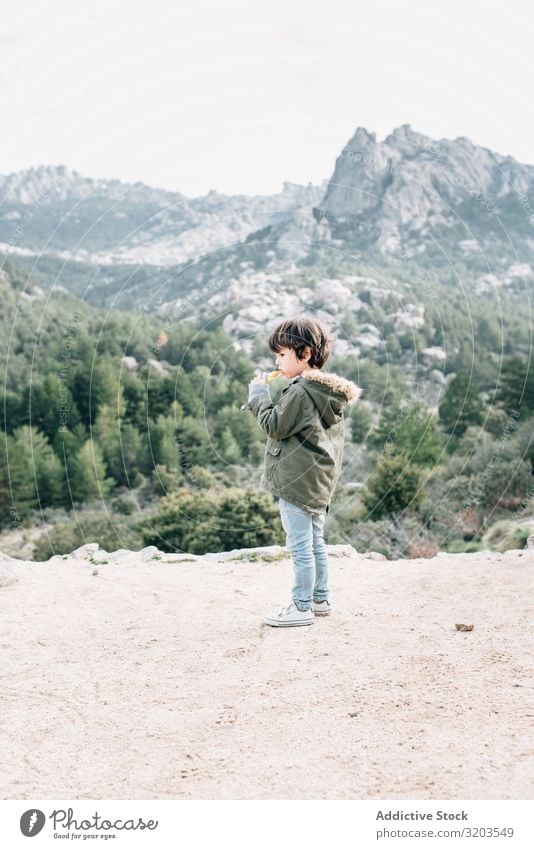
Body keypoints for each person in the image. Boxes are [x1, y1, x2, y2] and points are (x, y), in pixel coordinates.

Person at [241, 315, 362, 627]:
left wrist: (257, 397)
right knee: (316, 541)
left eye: (282, 354)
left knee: (300, 547)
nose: (277, 361)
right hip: (318, 480)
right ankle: (320, 600)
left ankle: (301, 606)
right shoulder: (326, 393)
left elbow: (274, 426)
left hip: (296, 481)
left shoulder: (299, 392)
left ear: (305, 353)